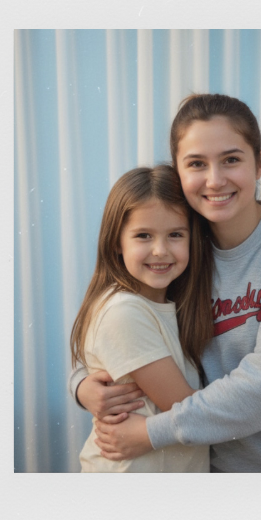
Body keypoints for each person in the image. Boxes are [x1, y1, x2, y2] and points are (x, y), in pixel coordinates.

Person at [73, 94, 261, 472]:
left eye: (231, 160)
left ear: (260, 163)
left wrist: (151, 432)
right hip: (212, 466)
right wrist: (82, 383)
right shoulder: (177, 247)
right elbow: (122, 328)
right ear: (179, 171)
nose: (215, 180)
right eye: (197, 164)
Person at [71, 165, 213, 472]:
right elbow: (186, 411)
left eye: (175, 234)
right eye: (143, 235)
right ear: (116, 244)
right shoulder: (124, 312)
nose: (160, 250)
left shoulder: (172, 305)